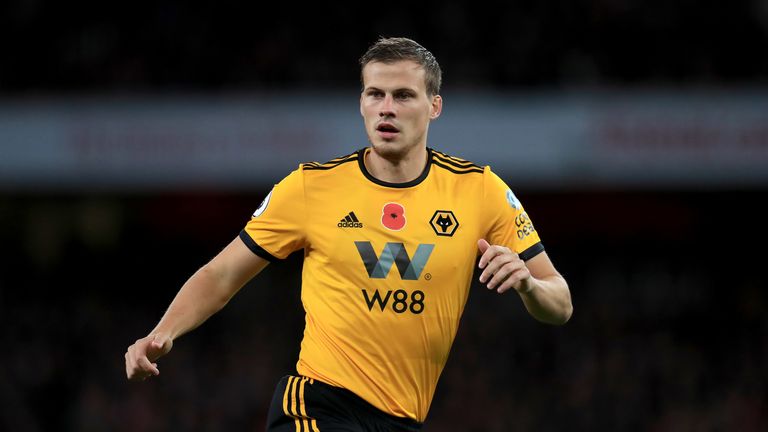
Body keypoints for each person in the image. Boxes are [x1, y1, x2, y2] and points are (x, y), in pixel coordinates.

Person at [125, 36, 573, 431]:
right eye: (374, 94)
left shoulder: (480, 190)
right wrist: (163, 332)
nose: (387, 108)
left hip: (404, 421)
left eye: (403, 95)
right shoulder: (310, 187)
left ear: (434, 106)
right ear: (361, 102)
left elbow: (561, 303)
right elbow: (221, 275)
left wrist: (529, 284)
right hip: (318, 406)